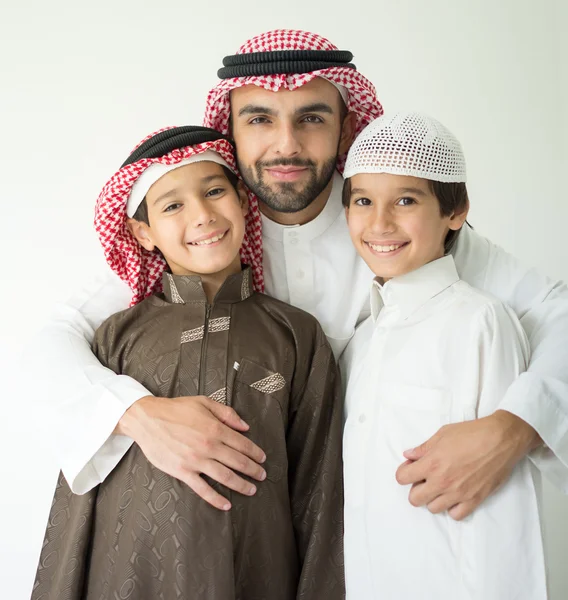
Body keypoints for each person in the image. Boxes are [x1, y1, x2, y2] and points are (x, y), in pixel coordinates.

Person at [26, 30, 568, 520]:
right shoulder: (210, 233)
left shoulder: (391, 223)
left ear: (348, 126)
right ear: (229, 131)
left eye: (311, 117)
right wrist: (137, 415)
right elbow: (55, 336)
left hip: (395, 507)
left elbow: (555, 311)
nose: (286, 144)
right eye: (259, 119)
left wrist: (516, 427)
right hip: (247, 515)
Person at [31, 126, 344, 600]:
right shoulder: (116, 336)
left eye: (215, 192)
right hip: (126, 577)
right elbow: (78, 501)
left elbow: (320, 495)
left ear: (242, 201)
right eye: (173, 205)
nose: (202, 216)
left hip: (258, 573)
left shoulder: (297, 336)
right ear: (143, 233)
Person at [340, 111, 554, 599]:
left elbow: (504, 515)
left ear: (455, 213)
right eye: (363, 201)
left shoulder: (480, 322)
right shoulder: (363, 341)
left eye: (406, 200)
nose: (379, 223)